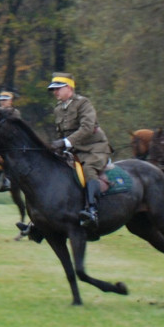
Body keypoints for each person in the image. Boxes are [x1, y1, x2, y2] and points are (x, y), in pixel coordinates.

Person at [48, 72, 112, 228]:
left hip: (94, 149)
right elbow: (62, 132)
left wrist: (65, 142)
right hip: (75, 151)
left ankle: (92, 210)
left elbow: (88, 128)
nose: (55, 92)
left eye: (58, 89)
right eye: (53, 90)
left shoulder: (83, 103)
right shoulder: (58, 109)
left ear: (69, 88)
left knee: (88, 169)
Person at [0, 91, 20, 191]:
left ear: (10, 101)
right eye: (1, 100)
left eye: (5, 100)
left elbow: (15, 128)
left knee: (8, 158)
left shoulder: (15, 113)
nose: (2, 102)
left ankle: (8, 179)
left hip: (10, 142)